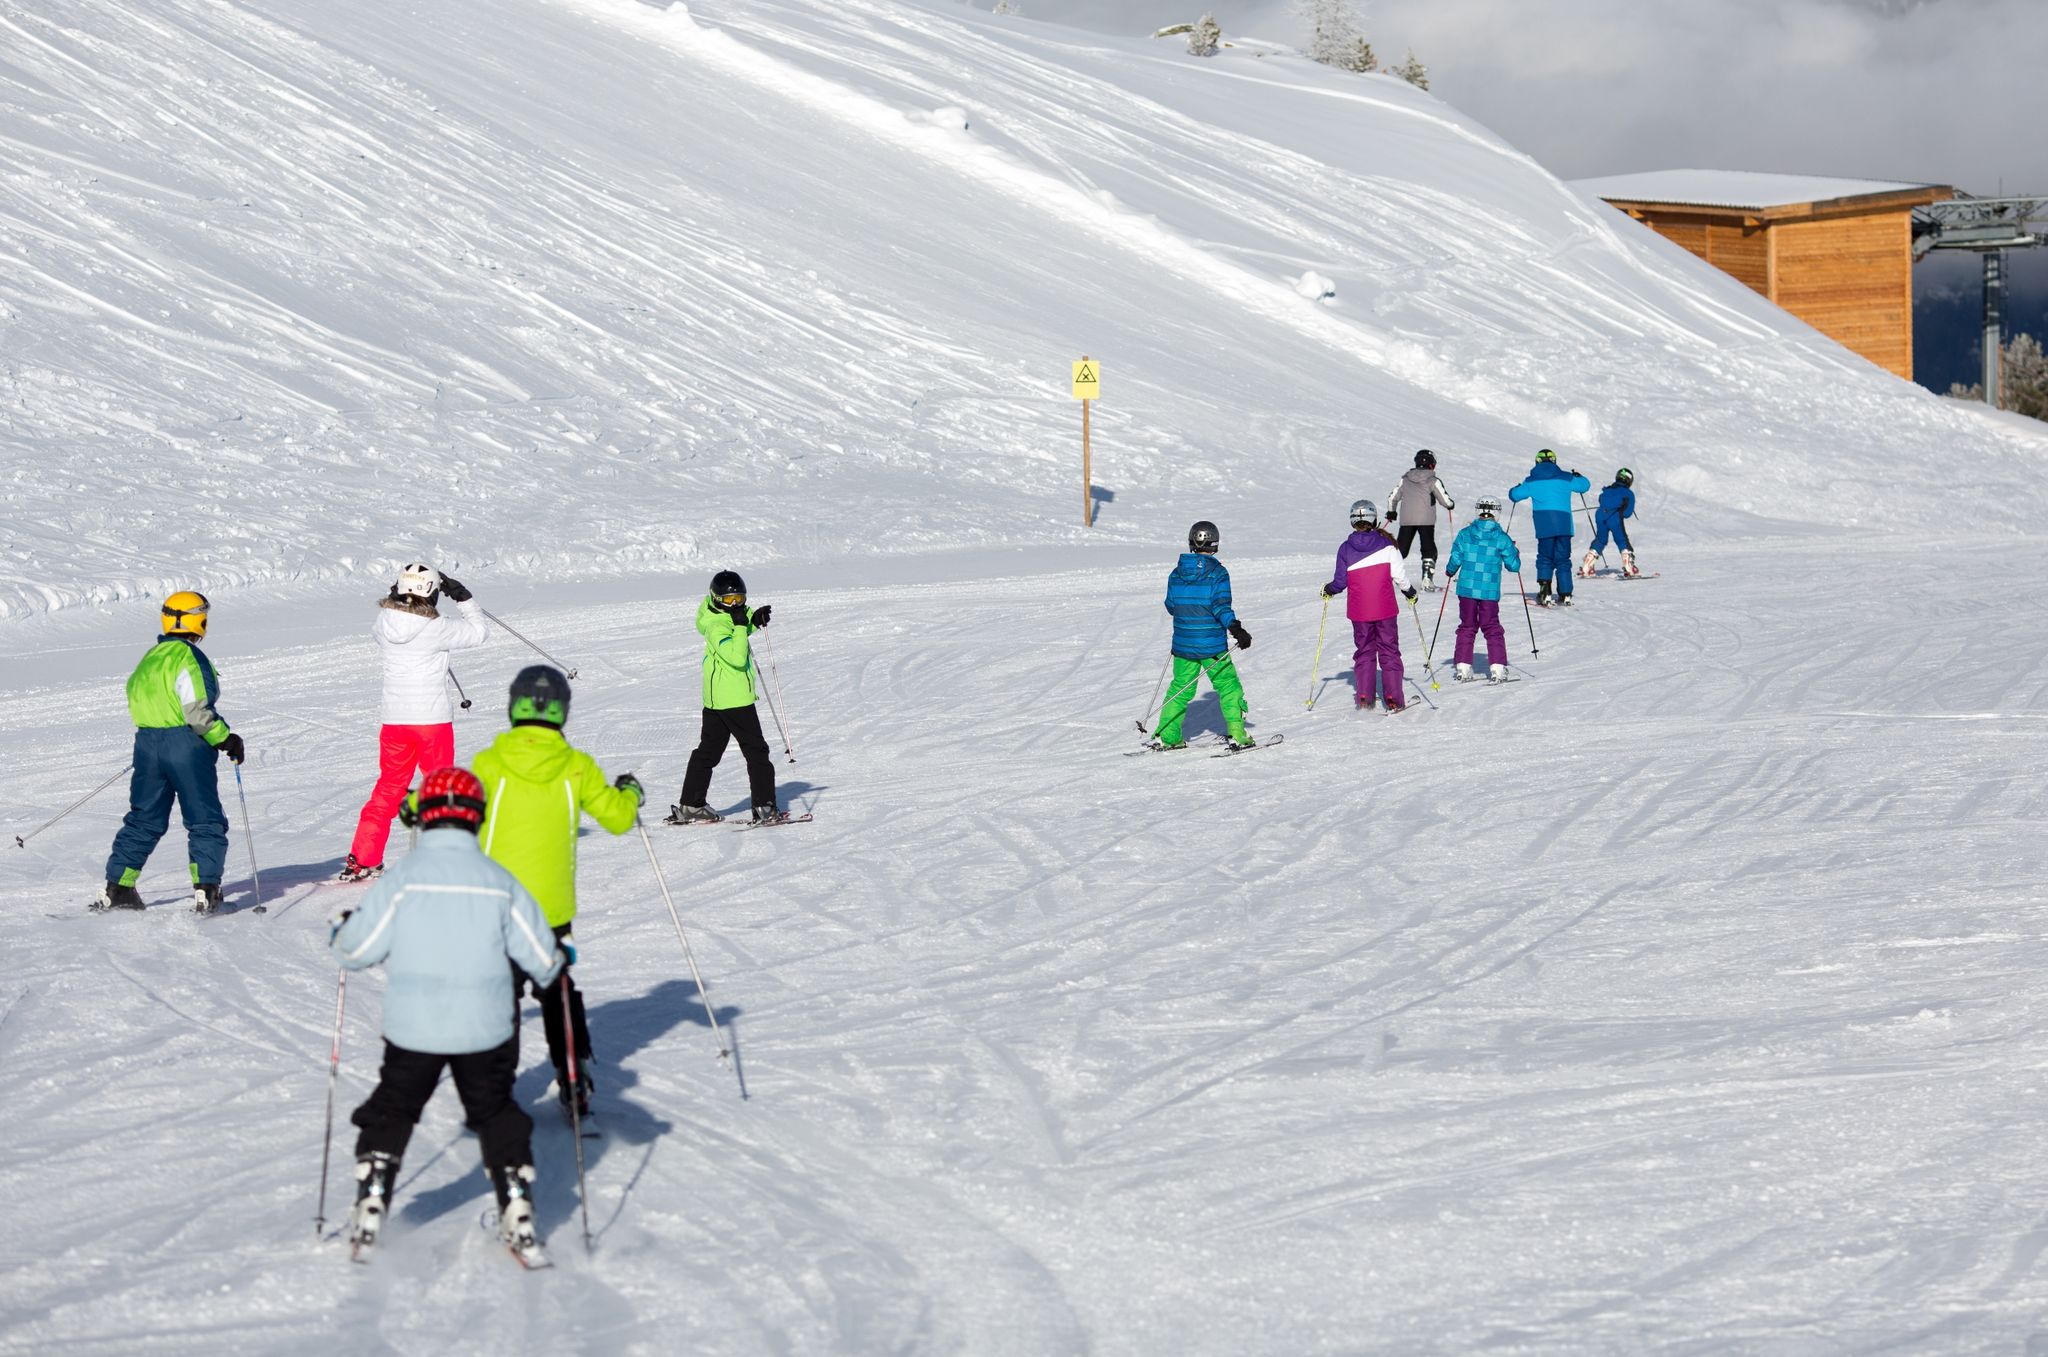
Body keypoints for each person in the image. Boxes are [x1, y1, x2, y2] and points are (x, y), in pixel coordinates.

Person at [330, 765, 565, 1267]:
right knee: (495, 1110)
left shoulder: (404, 880)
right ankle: (516, 1202)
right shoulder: (500, 881)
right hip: (485, 1028)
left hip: (415, 1028)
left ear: (425, 819)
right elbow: (545, 963)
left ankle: (372, 1194)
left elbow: (357, 951)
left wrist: (343, 929)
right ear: (476, 818)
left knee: (394, 1106)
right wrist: (558, 956)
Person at [472, 666, 644, 1118]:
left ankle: (491, 1091)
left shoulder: (489, 764)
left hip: (496, 907)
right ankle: (572, 1072)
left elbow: (456, 807)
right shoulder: (576, 766)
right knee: (556, 988)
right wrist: (629, 793)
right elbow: (619, 819)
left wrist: (418, 806)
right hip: (550, 910)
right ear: (562, 711)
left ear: (514, 707)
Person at [96, 591, 247, 914]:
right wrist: (225, 738)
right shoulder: (189, 657)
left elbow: (138, 699)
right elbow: (196, 712)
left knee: (144, 817)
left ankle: (118, 887)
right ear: (199, 620)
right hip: (186, 746)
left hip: (148, 744)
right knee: (204, 819)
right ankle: (207, 890)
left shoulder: (151, 657)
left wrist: (156, 737)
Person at [341, 563, 490, 882]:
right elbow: (479, 632)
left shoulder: (383, 622)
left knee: (388, 787)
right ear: (433, 593)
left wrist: (403, 591)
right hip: (432, 722)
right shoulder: (438, 628)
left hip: (395, 722)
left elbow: (401, 613)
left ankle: (363, 857)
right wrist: (463, 598)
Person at [666, 570, 783, 825]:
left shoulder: (719, 614)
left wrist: (753, 619)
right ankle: (764, 807)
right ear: (716, 599)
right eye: (730, 601)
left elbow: (739, 623)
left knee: (708, 752)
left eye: (740, 599)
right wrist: (743, 624)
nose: (736, 605)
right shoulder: (716, 626)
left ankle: (691, 804)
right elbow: (737, 656)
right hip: (734, 700)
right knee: (757, 752)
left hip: (717, 700)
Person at [1152, 520, 1254, 750]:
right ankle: (1237, 734)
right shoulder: (1217, 573)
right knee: (1228, 686)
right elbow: (1220, 606)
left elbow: (1171, 605)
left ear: (1191, 543)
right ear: (1215, 545)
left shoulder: (1176, 574)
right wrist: (1235, 628)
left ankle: (1168, 736)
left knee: (1180, 688)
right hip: (1212, 646)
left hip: (1183, 645)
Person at [1322, 500, 1418, 713]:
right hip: (1384, 609)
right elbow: (1399, 576)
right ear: (1374, 519)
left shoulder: (1346, 548)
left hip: (1359, 611)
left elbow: (1340, 582)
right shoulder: (1386, 544)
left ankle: (1365, 696)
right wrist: (1409, 591)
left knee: (1364, 650)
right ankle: (1393, 697)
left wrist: (1328, 589)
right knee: (1389, 650)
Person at [1443, 496, 1522, 683]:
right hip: (1488, 591)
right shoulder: (1502, 538)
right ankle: (1497, 667)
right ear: (1497, 513)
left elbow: (1456, 556)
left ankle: (1462, 666)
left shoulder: (1465, 533)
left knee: (1467, 626)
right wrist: (1515, 553)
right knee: (1491, 626)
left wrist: (1450, 570)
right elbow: (1514, 566)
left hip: (1467, 590)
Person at [1507, 449, 1591, 607]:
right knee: (1563, 559)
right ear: (1554, 461)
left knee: (1545, 557)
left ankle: (1545, 591)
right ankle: (1565, 594)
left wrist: (1516, 487)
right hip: (1564, 525)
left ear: (1537, 461)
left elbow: (1514, 496)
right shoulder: (1566, 477)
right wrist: (1578, 476)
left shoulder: (1531, 481)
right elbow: (1585, 486)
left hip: (1544, 525)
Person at [1384, 449, 1455, 591]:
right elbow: (1446, 501)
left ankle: (1386, 577)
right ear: (1432, 464)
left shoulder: (1405, 479)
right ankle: (1427, 580)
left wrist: (1392, 512)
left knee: (1401, 549)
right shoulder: (1433, 480)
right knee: (1428, 548)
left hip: (1407, 520)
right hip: (1426, 520)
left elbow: (1392, 497)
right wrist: (1450, 505)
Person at [1581, 468, 1640, 577]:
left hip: (1600, 515)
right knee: (1621, 540)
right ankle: (1629, 566)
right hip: (1614, 516)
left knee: (1600, 540)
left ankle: (1587, 565)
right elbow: (1627, 513)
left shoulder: (1607, 490)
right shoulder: (1628, 493)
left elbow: (1601, 499)